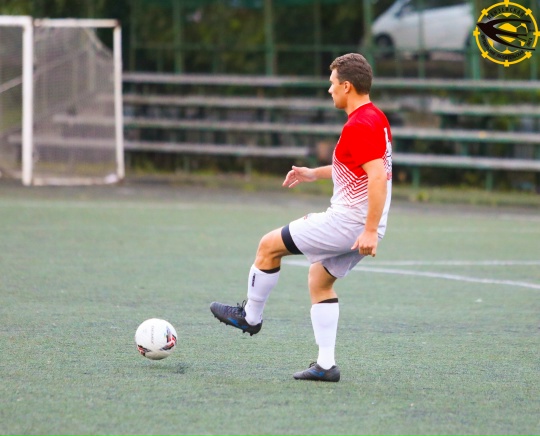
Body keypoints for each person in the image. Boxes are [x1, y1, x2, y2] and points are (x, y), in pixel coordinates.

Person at [210, 53, 392, 382]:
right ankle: (326, 365)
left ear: (347, 86)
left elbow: (377, 177)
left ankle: (250, 316)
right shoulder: (375, 117)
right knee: (319, 280)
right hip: (365, 224)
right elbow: (355, 167)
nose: (329, 89)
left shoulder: (359, 125)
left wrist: (366, 230)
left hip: (349, 223)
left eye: (332, 83)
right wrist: (313, 173)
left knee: (268, 246)